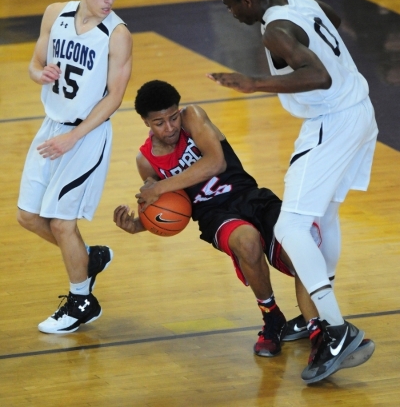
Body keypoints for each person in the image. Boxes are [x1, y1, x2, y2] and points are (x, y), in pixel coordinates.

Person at [113, 80, 373, 370]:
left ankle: (317, 330)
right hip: (215, 216)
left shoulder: (193, 117)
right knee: (246, 241)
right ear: (145, 122)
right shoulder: (146, 160)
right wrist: (140, 226)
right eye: (159, 122)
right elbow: (171, 215)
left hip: (250, 196)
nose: (170, 127)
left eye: (172, 117)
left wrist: (161, 188)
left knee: (303, 249)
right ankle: (272, 316)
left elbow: (216, 163)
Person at [207, 0, 378, 383]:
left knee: (290, 228)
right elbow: (333, 19)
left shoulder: (274, 31)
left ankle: (336, 330)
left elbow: (318, 75)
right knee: (324, 216)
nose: (230, 12)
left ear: (248, 1)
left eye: (230, 4)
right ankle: (322, 315)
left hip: (331, 121)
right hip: (360, 112)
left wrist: (254, 83)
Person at [17, 0, 133, 334]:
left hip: (86, 136)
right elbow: (35, 64)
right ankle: (88, 258)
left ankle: (82, 299)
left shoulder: (118, 35)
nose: (109, 1)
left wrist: (74, 137)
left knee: (62, 222)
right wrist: (41, 74)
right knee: (29, 217)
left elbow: (114, 97)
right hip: (52, 128)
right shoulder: (55, 14)